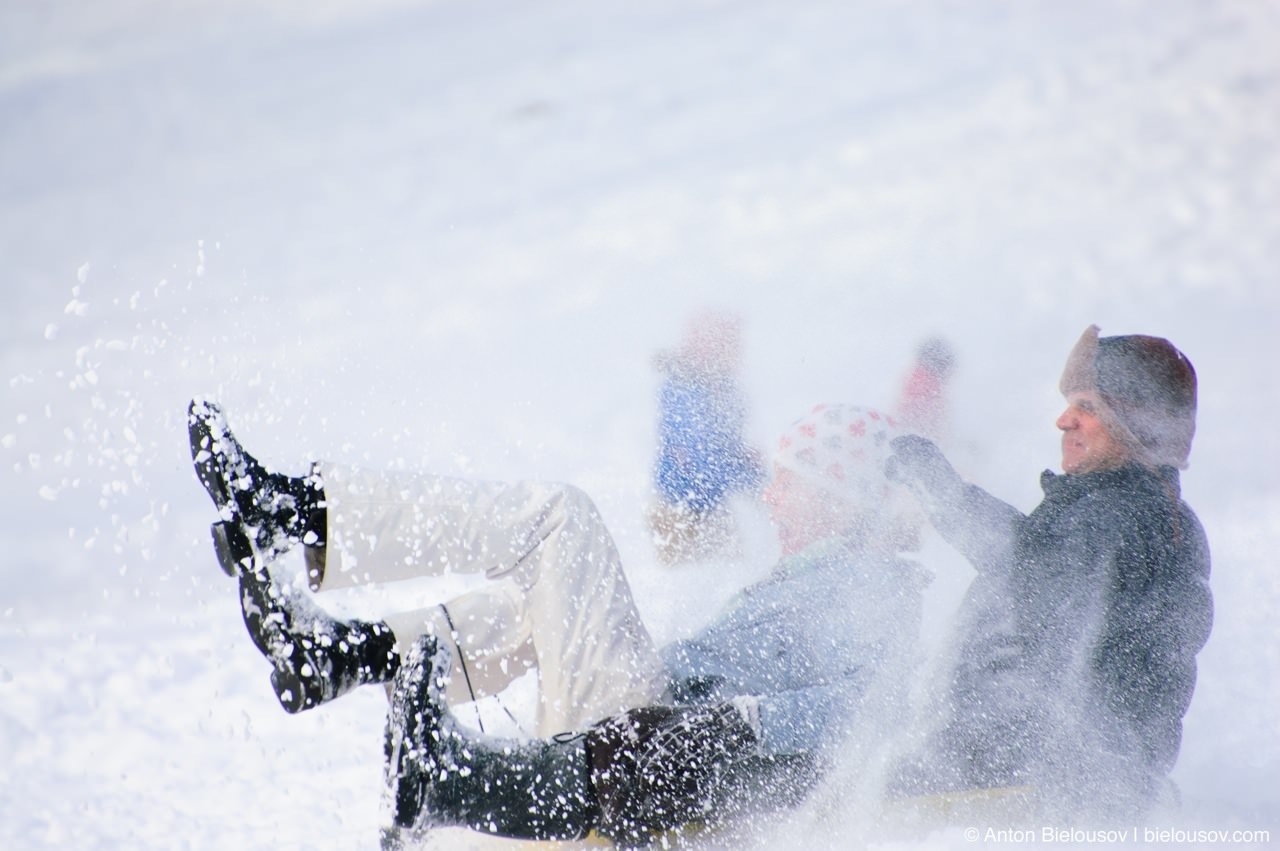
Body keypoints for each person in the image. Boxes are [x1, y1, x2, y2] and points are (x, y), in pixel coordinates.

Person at [188, 400, 928, 845]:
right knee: (536, 601)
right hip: (645, 730)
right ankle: (335, 653)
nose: (767, 499)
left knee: (561, 521)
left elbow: (872, 705)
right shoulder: (818, 578)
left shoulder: (876, 591)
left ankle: (296, 515)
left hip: (660, 744)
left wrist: (738, 725)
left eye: (788, 480)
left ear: (840, 497)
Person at [883, 325, 1213, 822]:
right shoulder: (1138, 510)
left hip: (1036, 786)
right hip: (1060, 778)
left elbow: (1033, 581)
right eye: (1069, 405)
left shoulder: (1120, 516)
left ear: (1135, 422)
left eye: (1089, 408)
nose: (1064, 421)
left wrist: (941, 491)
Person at [647, 309, 765, 563]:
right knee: (690, 571)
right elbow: (698, 454)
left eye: (736, 345)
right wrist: (743, 472)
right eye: (727, 345)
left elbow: (726, 447)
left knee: (734, 563)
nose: (735, 354)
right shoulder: (682, 390)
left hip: (711, 504)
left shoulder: (728, 392)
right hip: (679, 506)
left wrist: (751, 467)